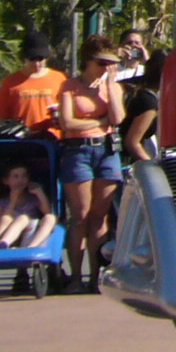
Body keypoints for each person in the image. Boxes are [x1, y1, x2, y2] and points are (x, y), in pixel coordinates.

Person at [58, 34, 126, 293]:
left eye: (109, 63)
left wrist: (109, 83)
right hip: (79, 150)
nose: (104, 68)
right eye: (101, 63)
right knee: (80, 216)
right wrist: (99, 123)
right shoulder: (70, 86)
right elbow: (68, 123)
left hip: (107, 152)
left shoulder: (112, 86)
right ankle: (76, 276)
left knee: (100, 216)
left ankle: (97, 275)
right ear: (88, 61)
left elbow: (117, 118)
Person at [0, 30, 67, 139]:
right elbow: (0, 116)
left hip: (52, 140)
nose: (37, 63)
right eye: (32, 59)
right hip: (21, 142)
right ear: (24, 57)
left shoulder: (60, 78)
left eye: (41, 58)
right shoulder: (10, 82)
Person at [120, 49, 167, 163]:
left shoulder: (128, 84)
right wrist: (152, 166)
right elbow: (132, 143)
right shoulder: (148, 100)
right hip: (121, 159)